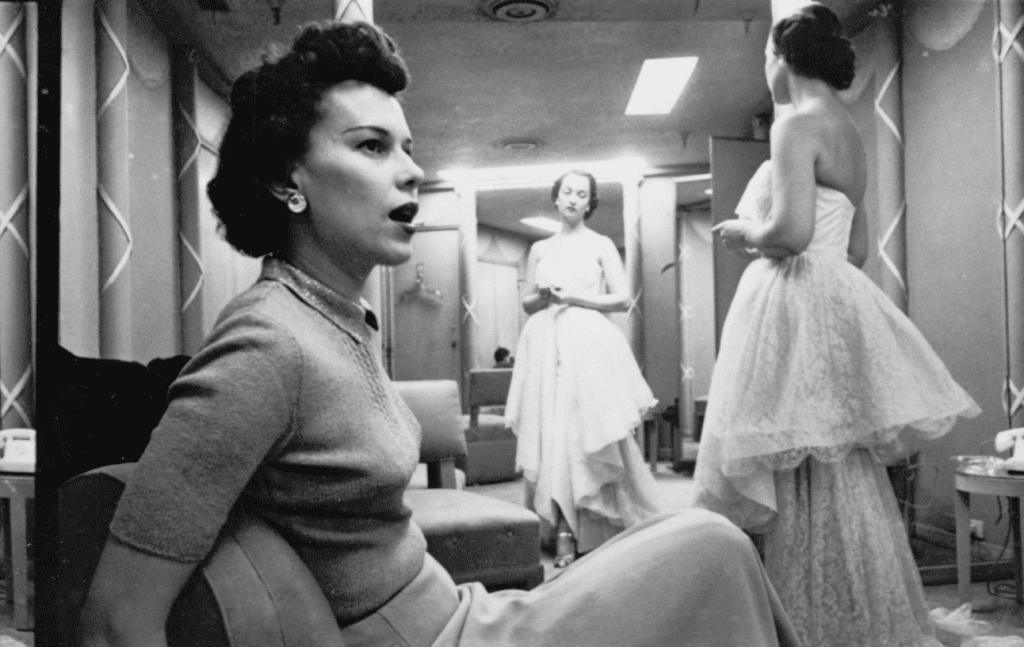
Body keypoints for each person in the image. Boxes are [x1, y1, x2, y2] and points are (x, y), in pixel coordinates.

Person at [79, 20, 801, 647]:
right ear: (286, 180)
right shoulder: (265, 344)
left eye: (408, 147)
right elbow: (116, 617)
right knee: (713, 545)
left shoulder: (336, 318)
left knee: (706, 546)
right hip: (435, 638)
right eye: (371, 147)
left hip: (461, 610)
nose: (414, 171)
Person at [693, 5, 981, 647]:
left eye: (764, 58)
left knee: (791, 458)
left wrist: (745, 232)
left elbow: (790, 234)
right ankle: (862, 612)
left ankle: (807, 621)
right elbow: (852, 250)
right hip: (834, 298)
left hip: (792, 297)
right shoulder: (850, 131)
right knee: (839, 463)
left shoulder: (794, 124)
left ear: (779, 57)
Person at [504, 170, 662, 568]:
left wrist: (574, 296)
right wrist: (540, 298)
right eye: (567, 192)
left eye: (582, 194)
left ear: (590, 202)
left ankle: (573, 531)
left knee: (579, 433)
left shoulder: (601, 244)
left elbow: (623, 298)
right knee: (551, 432)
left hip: (588, 345)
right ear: (556, 199)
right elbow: (525, 302)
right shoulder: (540, 248)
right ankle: (558, 523)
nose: (574, 199)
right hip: (544, 344)